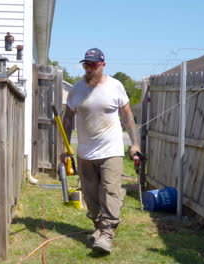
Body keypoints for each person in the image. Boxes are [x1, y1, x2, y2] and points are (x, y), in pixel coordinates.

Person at [62, 48, 140, 253]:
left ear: (102, 65)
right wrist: (65, 146)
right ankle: (99, 228)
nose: (88, 69)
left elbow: (128, 117)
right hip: (86, 152)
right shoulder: (76, 89)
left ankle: (107, 234)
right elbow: (68, 119)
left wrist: (135, 144)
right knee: (90, 195)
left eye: (93, 66)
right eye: (86, 65)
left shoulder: (115, 86)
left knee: (110, 191)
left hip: (111, 150)